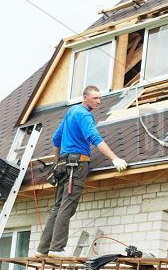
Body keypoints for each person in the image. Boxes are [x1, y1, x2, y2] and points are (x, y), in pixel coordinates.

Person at [35, 85, 128, 258]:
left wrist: (57, 163)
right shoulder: (85, 114)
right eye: (95, 98)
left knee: (57, 207)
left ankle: (42, 250)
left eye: (100, 98)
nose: (99, 101)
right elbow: (94, 137)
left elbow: (56, 139)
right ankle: (56, 248)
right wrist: (114, 158)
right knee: (67, 206)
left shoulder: (71, 112)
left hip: (64, 164)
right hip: (76, 165)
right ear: (85, 98)